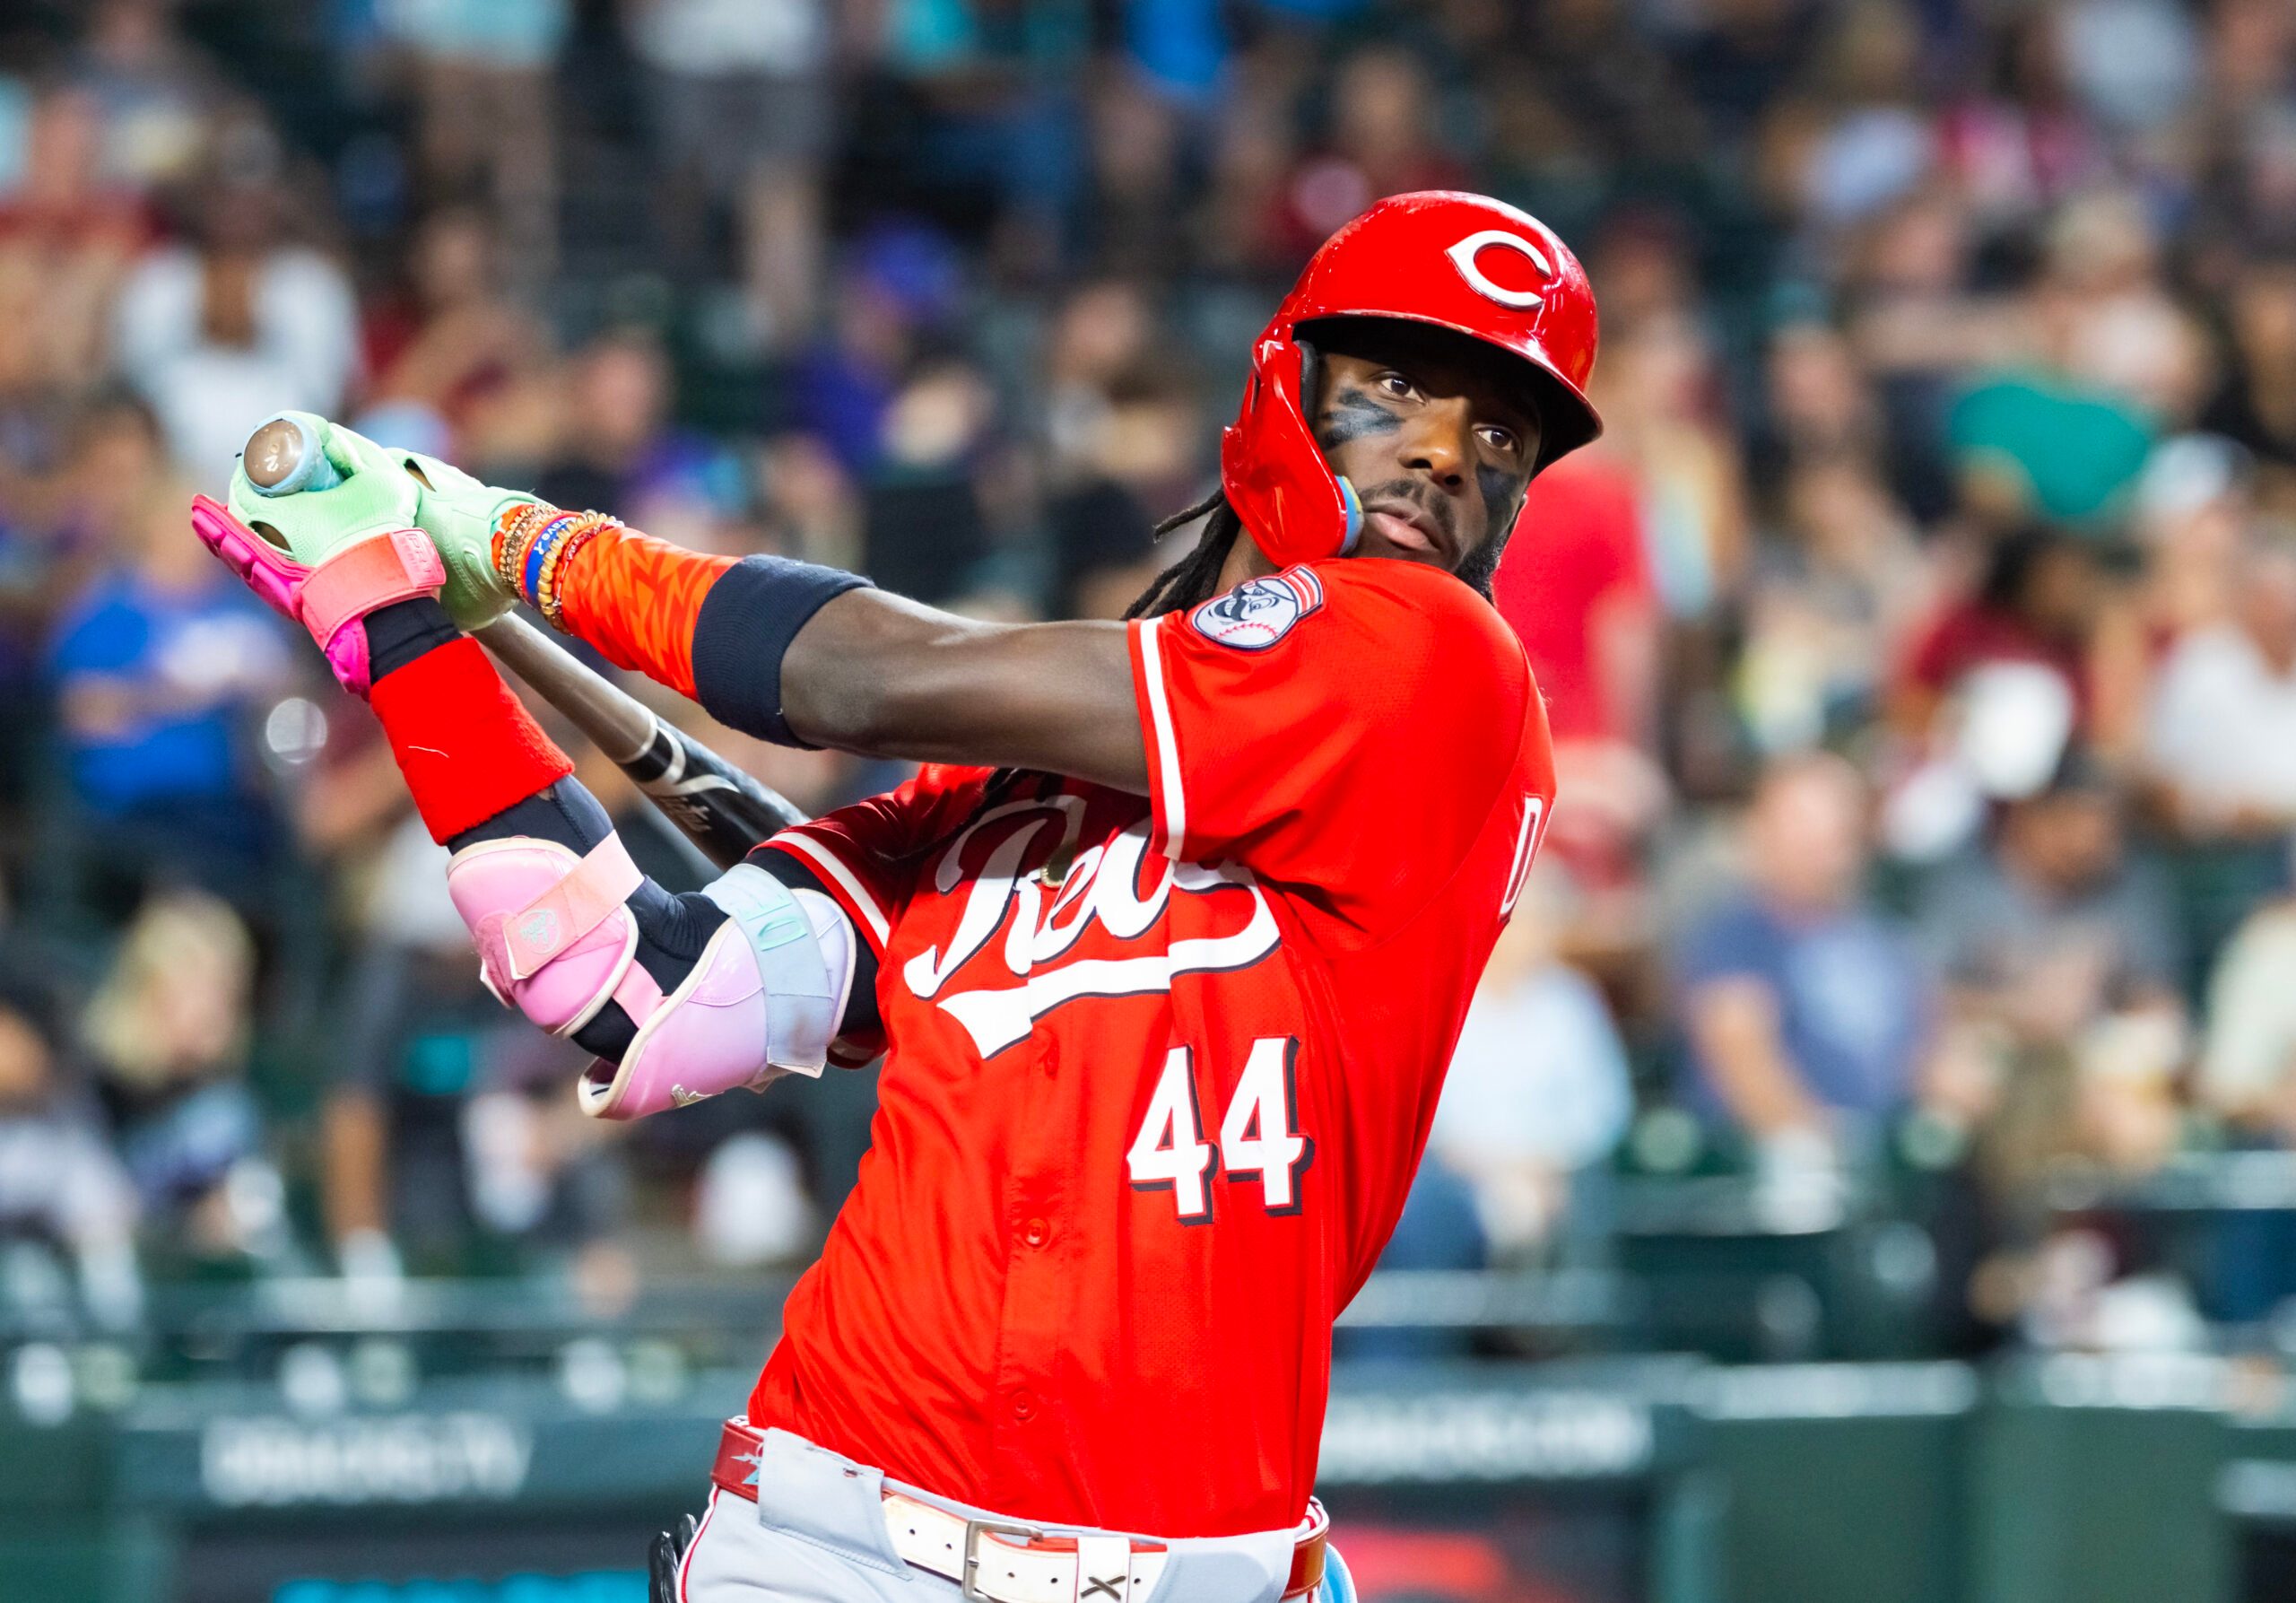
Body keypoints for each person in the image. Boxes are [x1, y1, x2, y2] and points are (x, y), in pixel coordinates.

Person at [192, 191, 1597, 1603]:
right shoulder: (994, 803)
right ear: (1289, 378)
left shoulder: (1444, 675)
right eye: (1402, 382)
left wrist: (522, 543)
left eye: (1502, 433)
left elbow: (857, 676)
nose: (1445, 451)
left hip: (1185, 1568)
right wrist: (406, 628)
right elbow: (626, 983)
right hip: (824, 1543)